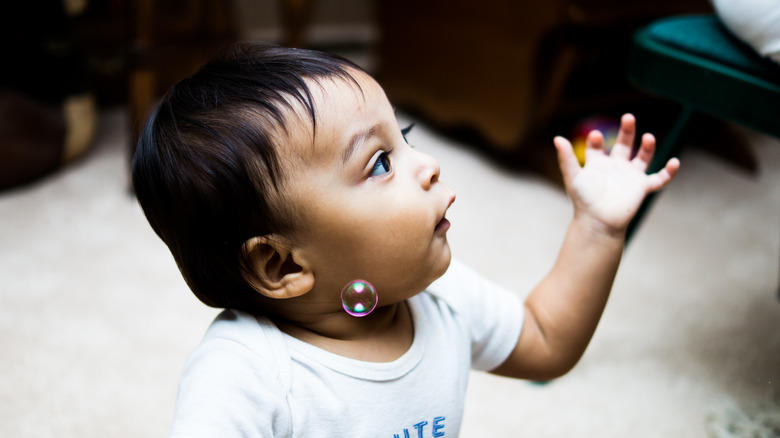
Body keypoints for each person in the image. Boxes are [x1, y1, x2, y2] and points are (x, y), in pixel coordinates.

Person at [131, 42, 680, 437]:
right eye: (379, 163)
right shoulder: (245, 375)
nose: (430, 166)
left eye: (406, 137)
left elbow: (546, 340)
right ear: (280, 265)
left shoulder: (443, 300)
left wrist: (598, 228)